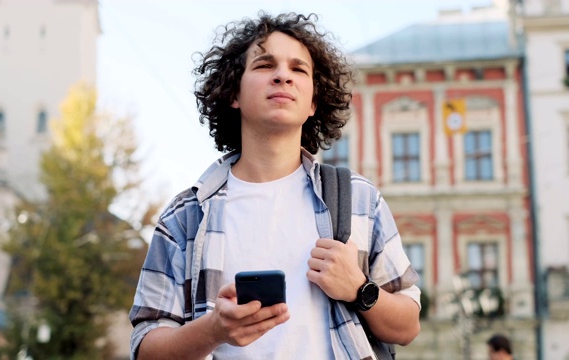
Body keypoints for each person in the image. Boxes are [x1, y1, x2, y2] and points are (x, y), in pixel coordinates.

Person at [129, 12, 421, 360]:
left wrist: (359, 288)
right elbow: (145, 347)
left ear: (313, 102)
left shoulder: (360, 198)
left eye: (299, 69)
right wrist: (214, 330)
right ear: (233, 93)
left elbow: (407, 327)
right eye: (265, 65)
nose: (283, 76)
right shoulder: (186, 215)